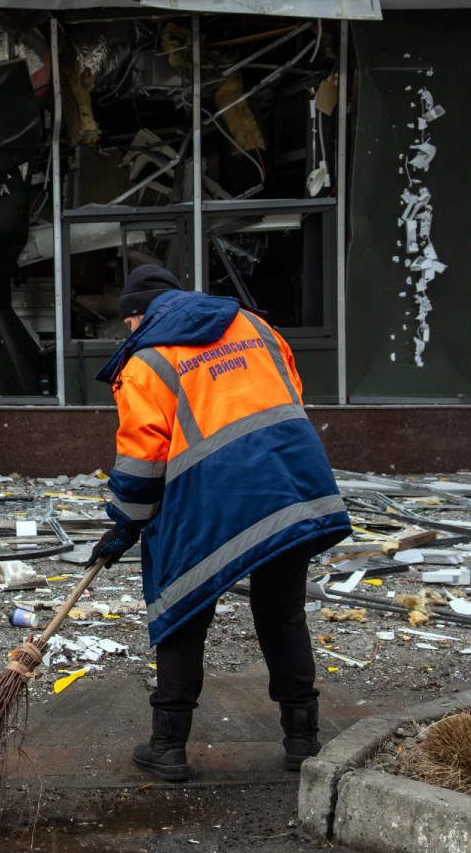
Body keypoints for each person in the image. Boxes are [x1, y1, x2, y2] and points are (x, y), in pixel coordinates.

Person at [90, 264, 350, 781]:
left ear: (138, 315)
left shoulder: (146, 360)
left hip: (211, 496)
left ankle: (168, 747)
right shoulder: (256, 327)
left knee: (182, 605)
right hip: (289, 481)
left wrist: (125, 526)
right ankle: (303, 741)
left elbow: (143, 462)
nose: (129, 332)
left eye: (128, 324)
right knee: (282, 613)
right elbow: (287, 392)